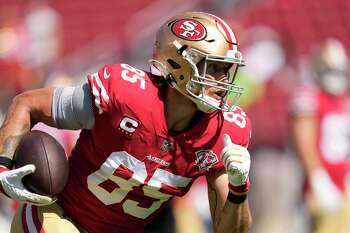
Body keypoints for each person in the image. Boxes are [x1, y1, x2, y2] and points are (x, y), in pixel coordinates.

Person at [0, 12, 252, 233]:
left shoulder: (224, 131)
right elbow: (27, 104)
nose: (222, 82)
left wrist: (239, 188)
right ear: (179, 64)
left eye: (226, 70)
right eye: (214, 68)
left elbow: (228, 230)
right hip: (61, 217)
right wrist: (2, 165)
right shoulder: (125, 94)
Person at [290, 38, 350, 233]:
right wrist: (318, 179)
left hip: (343, 184)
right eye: (329, 70)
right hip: (321, 185)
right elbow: (304, 141)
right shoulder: (309, 97)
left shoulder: (342, 100)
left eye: (337, 70)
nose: (334, 76)